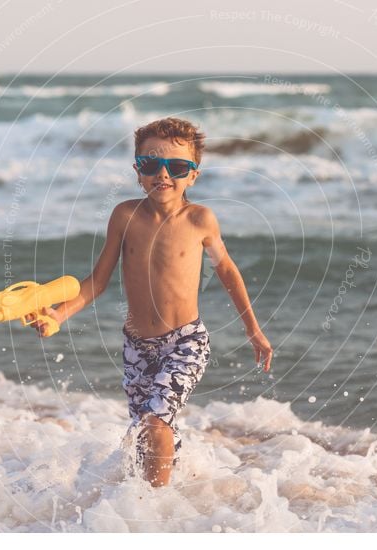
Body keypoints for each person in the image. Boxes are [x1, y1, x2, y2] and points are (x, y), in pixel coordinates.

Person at [32, 117, 272, 487]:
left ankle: (152, 514)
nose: (163, 174)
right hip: (137, 348)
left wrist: (253, 330)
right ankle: (176, 494)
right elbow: (96, 282)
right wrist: (58, 316)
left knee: (155, 421)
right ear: (137, 171)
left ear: (193, 175)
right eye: (150, 165)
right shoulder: (125, 217)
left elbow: (227, 271)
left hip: (186, 342)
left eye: (177, 167)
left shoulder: (200, 219)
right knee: (147, 435)